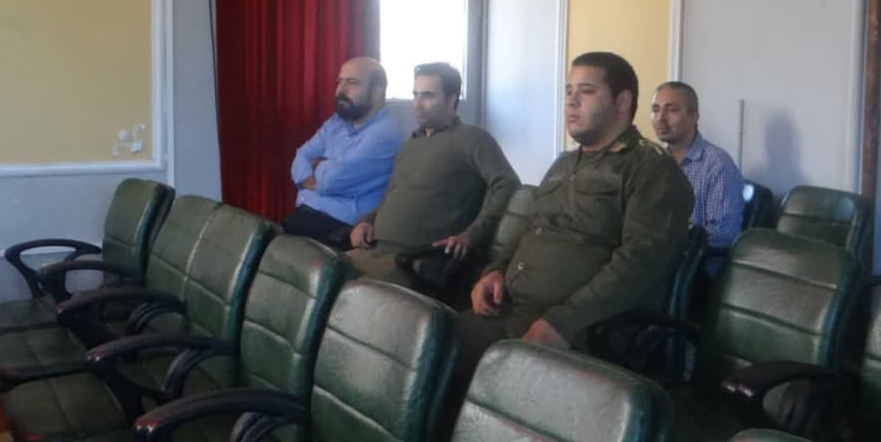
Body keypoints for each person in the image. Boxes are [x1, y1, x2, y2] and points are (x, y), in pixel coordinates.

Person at [462, 51, 693, 374]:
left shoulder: (652, 170)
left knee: (448, 367)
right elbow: (531, 230)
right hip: (508, 307)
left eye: (586, 91)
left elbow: (639, 263)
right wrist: (495, 271)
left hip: (579, 331)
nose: (571, 102)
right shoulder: (564, 164)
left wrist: (564, 322)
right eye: (569, 91)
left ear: (622, 101)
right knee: (428, 342)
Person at [345, 62, 518, 290]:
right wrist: (366, 221)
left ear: (451, 100)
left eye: (427, 96)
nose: (417, 104)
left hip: (413, 261)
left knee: (335, 288)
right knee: (311, 270)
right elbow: (392, 196)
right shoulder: (410, 145)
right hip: (372, 250)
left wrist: (471, 235)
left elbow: (507, 183)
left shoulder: (472, 139)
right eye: (415, 95)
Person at [284, 57, 402, 243]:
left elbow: (333, 179)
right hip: (306, 216)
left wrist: (317, 166)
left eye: (352, 82)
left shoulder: (386, 133)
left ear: (378, 90)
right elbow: (302, 155)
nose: (340, 90)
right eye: (340, 81)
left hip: (340, 228)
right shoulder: (337, 122)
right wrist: (321, 169)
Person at [650, 81, 745, 251]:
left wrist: (671, 237)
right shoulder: (653, 160)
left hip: (694, 260)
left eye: (672, 110)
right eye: (655, 110)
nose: (660, 118)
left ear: (694, 116)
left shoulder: (717, 163)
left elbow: (724, 234)